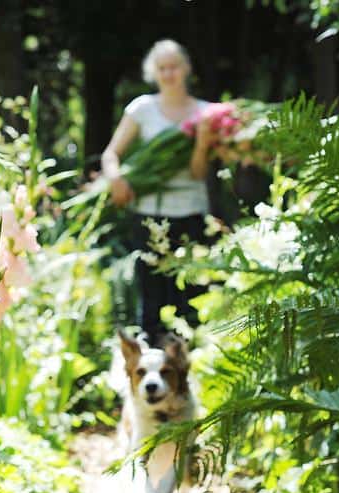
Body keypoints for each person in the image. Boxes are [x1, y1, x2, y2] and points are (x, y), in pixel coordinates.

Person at [101, 39, 215, 344]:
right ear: (154, 72)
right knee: (150, 297)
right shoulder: (142, 109)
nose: (169, 73)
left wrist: (202, 143)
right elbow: (110, 155)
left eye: (174, 66)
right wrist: (116, 179)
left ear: (186, 69)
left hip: (190, 210)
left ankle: (189, 363)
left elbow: (198, 173)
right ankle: (148, 362)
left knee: (189, 294)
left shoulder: (205, 114)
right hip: (148, 213)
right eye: (162, 68)